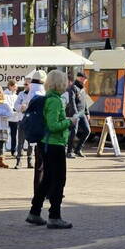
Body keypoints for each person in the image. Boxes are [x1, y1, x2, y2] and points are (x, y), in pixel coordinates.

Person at [24, 69, 73, 229]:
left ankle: (35, 212)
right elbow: (53, 125)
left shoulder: (48, 98)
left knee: (46, 180)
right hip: (54, 144)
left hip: (45, 144)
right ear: (61, 83)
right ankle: (54, 216)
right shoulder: (55, 101)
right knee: (59, 180)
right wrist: (68, 122)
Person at [66, 74, 90, 158]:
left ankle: (78, 149)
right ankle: (69, 151)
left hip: (82, 113)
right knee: (73, 132)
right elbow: (72, 102)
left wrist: (87, 113)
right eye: (84, 79)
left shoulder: (83, 88)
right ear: (79, 78)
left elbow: (85, 102)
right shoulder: (73, 87)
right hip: (75, 113)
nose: (85, 81)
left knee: (87, 130)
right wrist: (75, 114)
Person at [4, 80, 21, 156]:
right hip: (6, 118)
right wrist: (11, 110)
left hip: (14, 118)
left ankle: (13, 150)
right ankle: (1, 150)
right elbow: (5, 105)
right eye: (14, 87)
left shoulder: (16, 96)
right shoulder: (4, 95)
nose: (16, 89)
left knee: (14, 135)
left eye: (16, 87)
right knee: (4, 134)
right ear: (10, 86)